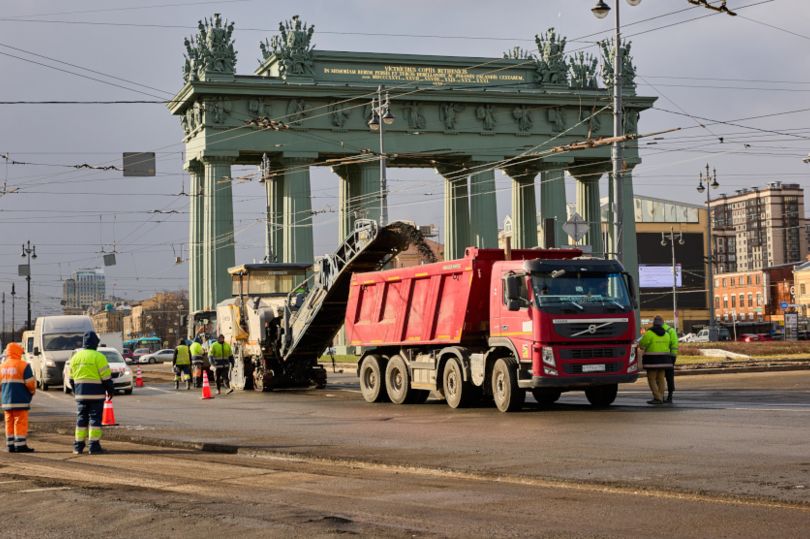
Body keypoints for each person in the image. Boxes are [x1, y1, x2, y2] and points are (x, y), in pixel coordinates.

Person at [68, 331, 113, 454]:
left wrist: (76, 392)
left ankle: (78, 446)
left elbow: (71, 379)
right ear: (95, 343)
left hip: (81, 394)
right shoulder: (99, 357)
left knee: (81, 419)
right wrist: (110, 390)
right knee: (95, 419)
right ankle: (94, 446)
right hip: (96, 395)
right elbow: (106, 378)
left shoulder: (75, 357)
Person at [1, 342, 36, 453]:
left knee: (9, 422)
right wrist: (32, 392)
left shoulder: (2, 366)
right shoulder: (23, 365)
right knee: (20, 422)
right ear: (18, 352)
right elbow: (30, 384)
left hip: (6, 401)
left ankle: (10, 445)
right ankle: (20, 445)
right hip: (20, 400)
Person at [638, 316, 678, 405]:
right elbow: (671, 345)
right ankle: (661, 396)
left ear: (653, 324)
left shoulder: (649, 333)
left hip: (652, 361)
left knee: (651, 379)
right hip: (665, 361)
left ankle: (658, 397)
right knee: (661, 379)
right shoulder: (667, 334)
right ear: (662, 324)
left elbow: (642, 345)